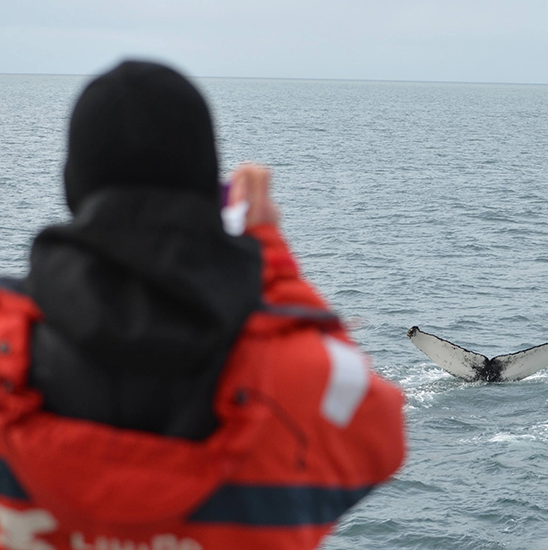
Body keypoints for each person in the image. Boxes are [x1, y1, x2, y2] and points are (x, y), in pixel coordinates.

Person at [0, 60, 405, 550]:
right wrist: (273, 263)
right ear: (210, 190)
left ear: (71, 184)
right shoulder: (293, 386)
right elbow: (380, 431)